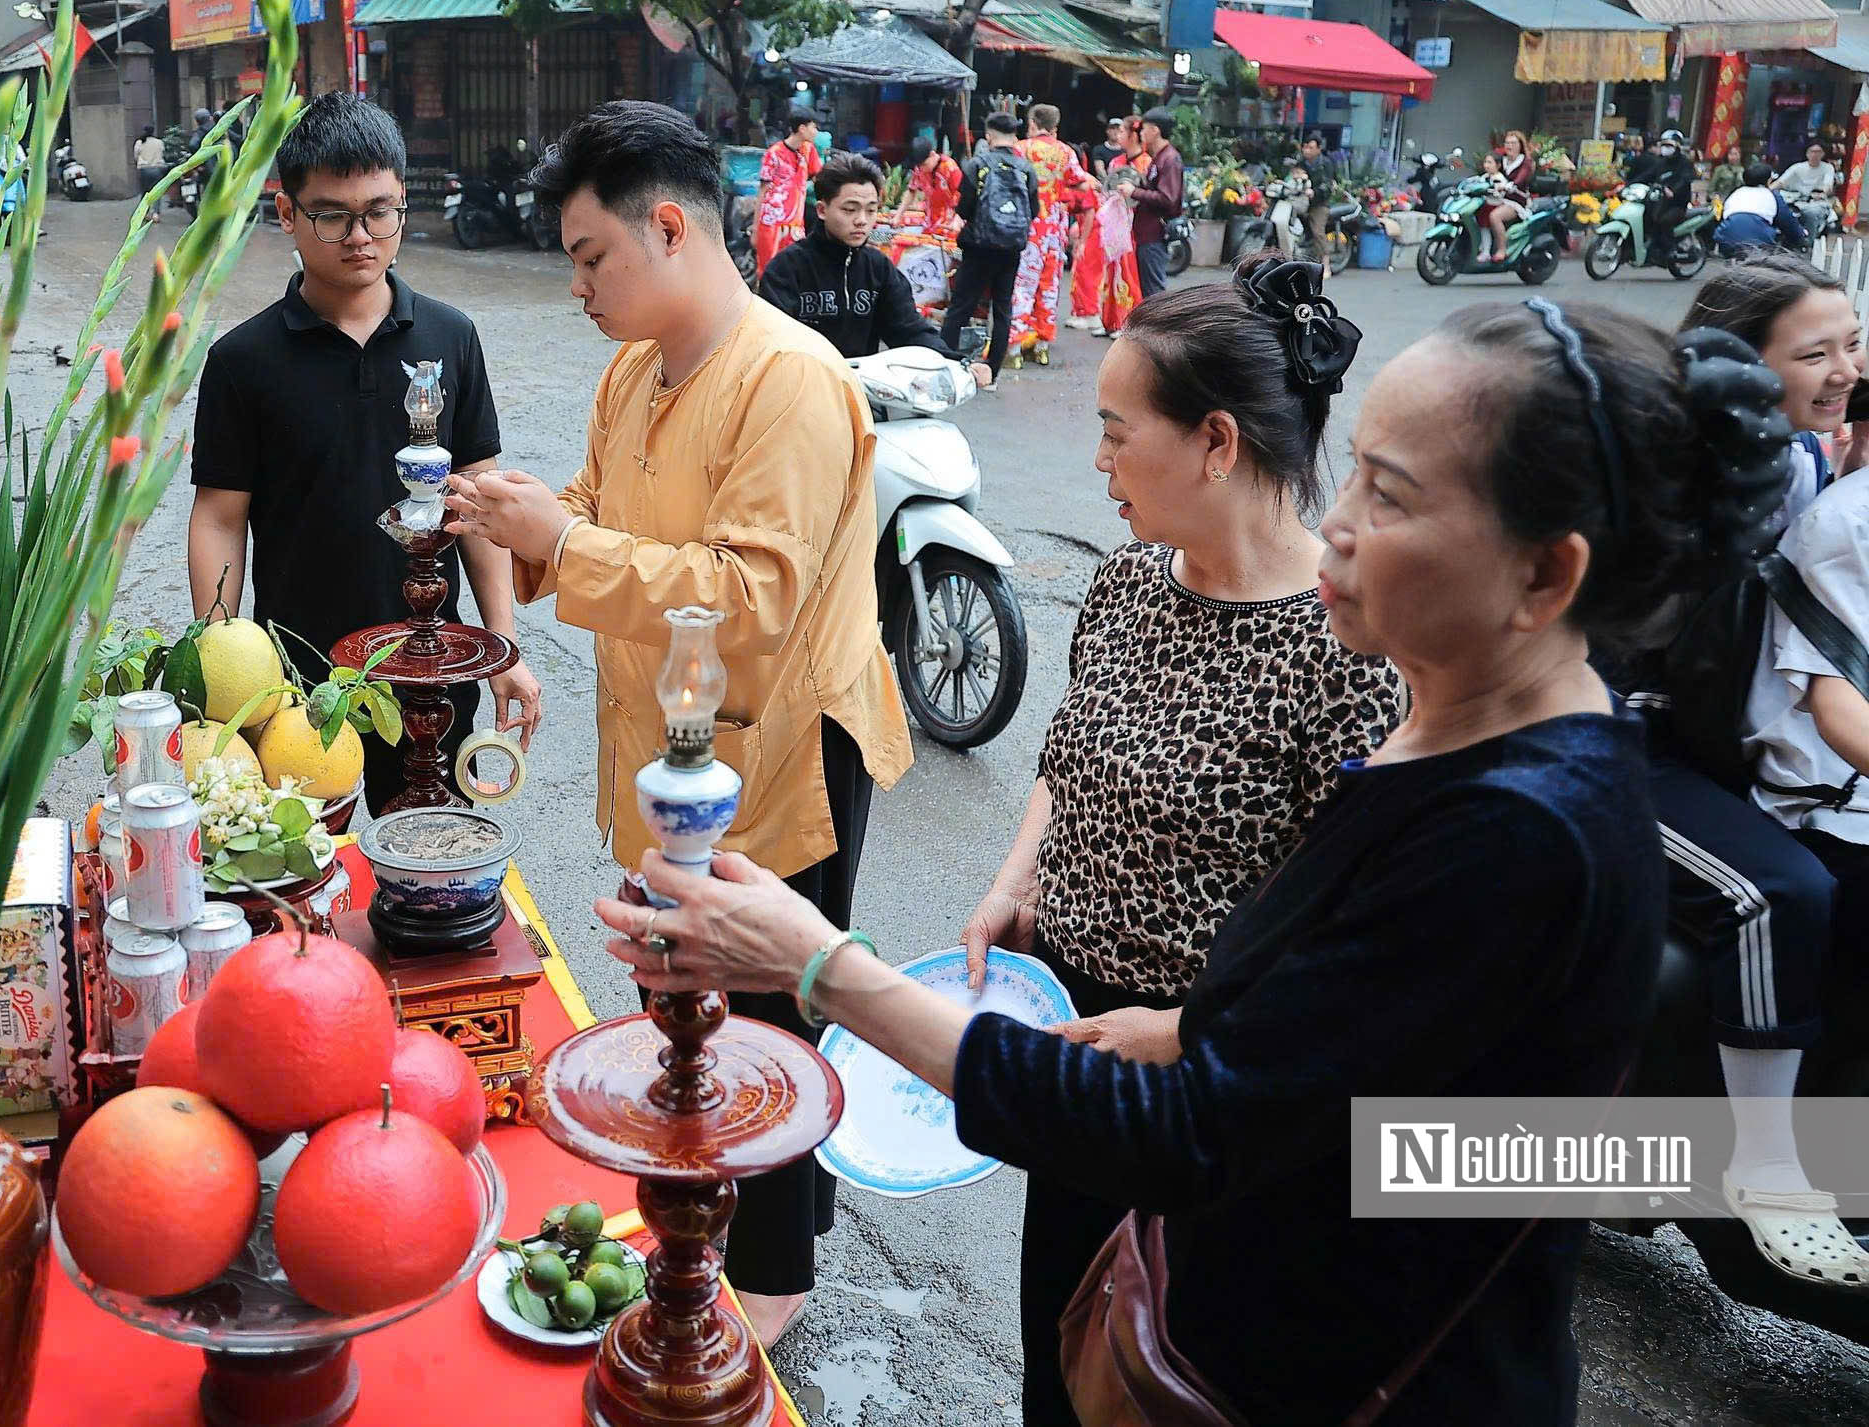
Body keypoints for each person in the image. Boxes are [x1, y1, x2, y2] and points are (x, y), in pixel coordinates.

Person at [602, 296, 1794, 1423]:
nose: (1335, 522)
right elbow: (1378, 1071)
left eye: (1386, 494)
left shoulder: (1521, 830)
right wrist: (1202, 1033)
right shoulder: (1459, 742)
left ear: (1544, 575)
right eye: (1352, 473)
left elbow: (1203, 1138)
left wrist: (821, 967)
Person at [444, 100, 913, 1347]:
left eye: (590, 256)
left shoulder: (789, 377)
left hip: (779, 741)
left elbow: (750, 598)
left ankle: (772, 1269)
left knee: (768, 1002)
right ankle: (713, 1212)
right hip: (675, 739)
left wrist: (563, 542)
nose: (579, 288)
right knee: (682, 990)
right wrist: (517, 520)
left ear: (666, 227)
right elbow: (596, 514)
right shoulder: (633, 369)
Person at [956, 258, 1404, 1425]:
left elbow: (1353, 936)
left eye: (1116, 434)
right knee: (1057, 1353)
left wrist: (1187, 1033)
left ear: (1215, 442)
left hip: (1207, 1084)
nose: (1097, 462)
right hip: (1073, 1034)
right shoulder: (1125, 583)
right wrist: (1016, 882)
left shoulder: (1344, 651)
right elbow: (1065, 754)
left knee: (1158, 1371)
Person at [188, 93, 543, 812]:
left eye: (380, 212)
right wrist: (222, 672)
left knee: (431, 857)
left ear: (402, 203)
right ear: (286, 213)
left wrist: (502, 646)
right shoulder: (242, 360)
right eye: (332, 215)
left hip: (432, 677)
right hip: (299, 695)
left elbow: (479, 504)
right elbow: (221, 517)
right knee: (314, 867)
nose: (360, 237)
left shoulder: (450, 337)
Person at [1643, 258, 1869, 1288]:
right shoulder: (1675, 476)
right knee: (1776, 892)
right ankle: (1767, 1167)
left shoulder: (1807, 458)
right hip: (1616, 742)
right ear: (1739, 366)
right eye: (1815, 354)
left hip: (1719, 747)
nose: (1846, 370)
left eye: (1852, 344)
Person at [757, 152, 954, 360]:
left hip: (861, 379)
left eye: (871, 210)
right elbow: (772, 342)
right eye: (850, 210)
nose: (861, 220)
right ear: (822, 210)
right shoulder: (787, 269)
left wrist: (955, 361)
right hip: (805, 377)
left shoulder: (879, 268)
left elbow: (910, 329)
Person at [941, 110, 1034, 389]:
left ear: (989, 135)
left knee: (961, 306)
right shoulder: (1026, 169)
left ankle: (945, 367)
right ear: (1014, 136)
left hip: (979, 247)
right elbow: (1034, 210)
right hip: (1011, 249)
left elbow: (965, 208)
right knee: (1002, 309)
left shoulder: (977, 164)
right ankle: (991, 375)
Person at [1005, 102, 1092, 359]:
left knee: (1023, 284)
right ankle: (1042, 347)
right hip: (1054, 229)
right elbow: (1082, 185)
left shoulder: (1021, 149)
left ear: (1033, 123)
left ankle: (1014, 348)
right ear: (1055, 126)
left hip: (1028, 226)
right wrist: (1058, 188)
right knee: (1049, 286)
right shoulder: (1066, 152)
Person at [753, 105, 822, 273]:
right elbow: (762, 191)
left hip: (796, 224)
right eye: (814, 127)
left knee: (795, 271)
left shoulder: (809, 150)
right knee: (768, 271)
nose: (816, 132)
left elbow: (819, 180)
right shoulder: (773, 153)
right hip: (771, 223)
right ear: (802, 128)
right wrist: (755, 228)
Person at [1128, 108, 1185, 295]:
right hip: (1146, 233)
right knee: (1147, 289)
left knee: (1154, 292)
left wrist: (1134, 192)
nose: (1141, 134)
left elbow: (1167, 198)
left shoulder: (1170, 159)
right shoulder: (1160, 157)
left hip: (1155, 234)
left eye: (1144, 129)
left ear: (1155, 130)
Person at [1082, 163, 1143, 336]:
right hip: (1113, 236)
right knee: (1109, 278)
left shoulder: (1142, 162)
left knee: (1126, 278)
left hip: (1126, 236)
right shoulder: (1118, 161)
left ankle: (1125, 322)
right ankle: (1109, 321)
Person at [1717, 161, 1813, 258]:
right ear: (1768, 180)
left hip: (1726, 240)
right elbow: (1788, 223)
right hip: (1758, 244)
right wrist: (1801, 236)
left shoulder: (1735, 193)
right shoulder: (1772, 195)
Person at [1633, 128, 1698, 256]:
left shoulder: (1685, 163)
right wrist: (1628, 184)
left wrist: (1673, 190)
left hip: (1677, 205)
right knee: (1645, 217)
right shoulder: (1661, 163)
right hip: (1659, 202)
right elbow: (1647, 175)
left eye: (1669, 145)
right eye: (1663, 145)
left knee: (1662, 221)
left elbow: (1685, 179)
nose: (1665, 148)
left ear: (1677, 146)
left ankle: (1670, 250)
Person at [1481, 130, 1534, 264]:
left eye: (1513, 143)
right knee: (1480, 211)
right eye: (1507, 143)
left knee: (1495, 216)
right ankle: (1484, 248)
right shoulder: (1503, 160)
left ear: (1520, 145)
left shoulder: (1525, 162)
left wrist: (1511, 185)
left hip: (1516, 201)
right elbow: (1492, 172)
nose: (1509, 146)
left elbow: (1521, 178)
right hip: (1499, 198)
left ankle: (1502, 250)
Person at [1294, 134, 1339, 262]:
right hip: (1301, 201)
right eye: (1305, 147)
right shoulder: (1300, 163)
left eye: (1311, 147)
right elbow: (1293, 177)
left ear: (1319, 149)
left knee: (1317, 231)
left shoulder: (1326, 163)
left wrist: (1315, 192)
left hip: (1319, 203)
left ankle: (1326, 263)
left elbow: (1328, 185)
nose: (1307, 150)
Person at [906, 137, 961, 239]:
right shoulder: (919, 169)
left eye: (924, 164)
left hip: (949, 223)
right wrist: (898, 215)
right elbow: (912, 190)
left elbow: (962, 196)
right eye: (919, 166)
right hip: (929, 222)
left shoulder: (950, 167)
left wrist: (957, 219)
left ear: (932, 154)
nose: (922, 169)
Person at [133, 125, 168, 196]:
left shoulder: (139, 142)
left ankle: (145, 203)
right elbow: (163, 154)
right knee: (157, 191)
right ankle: (156, 203)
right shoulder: (159, 142)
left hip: (144, 169)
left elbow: (136, 156)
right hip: (158, 169)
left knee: (144, 192)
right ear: (153, 132)